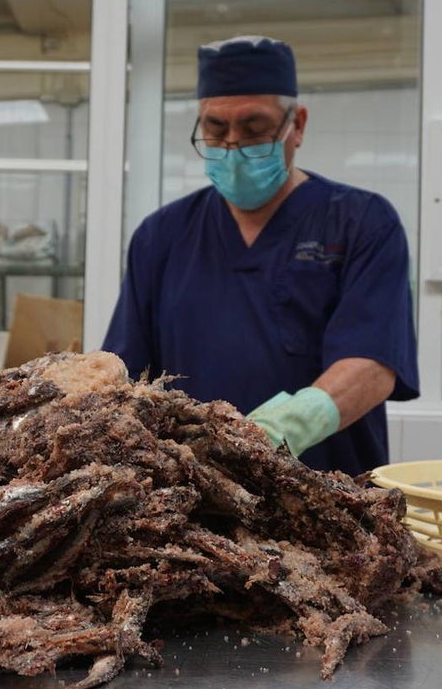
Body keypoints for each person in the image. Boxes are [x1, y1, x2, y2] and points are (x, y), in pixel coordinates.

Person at [102, 34, 418, 476]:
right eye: (215, 128)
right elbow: (125, 377)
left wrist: (274, 432)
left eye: (254, 129)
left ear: (298, 124)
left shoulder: (362, 223)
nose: (233, 146)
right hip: (195, 497)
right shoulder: (162, 236)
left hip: (330, 493)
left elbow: (373, 364)